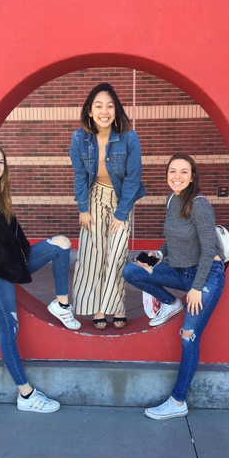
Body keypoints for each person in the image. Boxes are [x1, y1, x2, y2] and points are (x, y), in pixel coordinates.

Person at [0, 142, 81, 413]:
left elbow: (13, 235)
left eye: (1, 162)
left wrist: (20, 255)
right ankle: (26, 395)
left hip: (13, 263)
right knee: (10, 330)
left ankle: (62, 305)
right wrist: (5, 259)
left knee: (61, 244)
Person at [122, 153, 225, 419]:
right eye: (172, 171)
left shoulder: (200, 205)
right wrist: (158, 254)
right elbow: (174, 240)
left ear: (192, 176)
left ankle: (178, 401)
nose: (176, 176)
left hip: (206, 276)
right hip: (180, 270)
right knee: (133, 270)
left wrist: (196, 288)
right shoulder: (171, 200)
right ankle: (170, 302)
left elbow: (208, 250)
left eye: (183, 172)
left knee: (188, 336)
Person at [69, 82, 146, 330]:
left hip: (122, 199)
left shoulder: (129, 137)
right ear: (89, 111)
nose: (105, 111)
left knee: (116, 256)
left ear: (116, 110)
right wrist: (83, 209)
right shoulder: (79, 138)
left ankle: (117, 306)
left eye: (110, 106)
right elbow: (80, 176)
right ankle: (98, 309)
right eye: (99, 106)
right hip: (93, 199)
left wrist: (122, 214)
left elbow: (134, 178)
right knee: (93, 255)